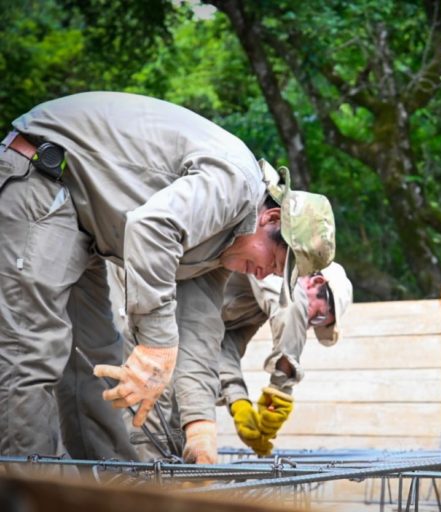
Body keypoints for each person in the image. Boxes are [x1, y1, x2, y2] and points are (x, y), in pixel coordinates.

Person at [0, 91, 335, 460]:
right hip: (44, 173)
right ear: (270, 219)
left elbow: (199, 334)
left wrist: (200, 426)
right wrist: (157, 344)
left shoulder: (223, 249)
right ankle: (27, 492)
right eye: (276, 260)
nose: (269, 273)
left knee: (98, 362)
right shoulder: (235, 186)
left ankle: (112, 491)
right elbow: (151, 227)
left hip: (86, 223)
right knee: (32, 351)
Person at [109, 262, 353, 462]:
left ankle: (165, 486)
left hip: (178, 323)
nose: (311, 325)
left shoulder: (256, 308)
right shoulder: (277, 267)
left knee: (180, 410)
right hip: (146, 286)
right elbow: (291, 307)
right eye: (319, 316)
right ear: (316, 282)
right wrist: (281, 391)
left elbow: (223, 347)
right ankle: (142, 489)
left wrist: (239, 403)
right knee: (151, 398)